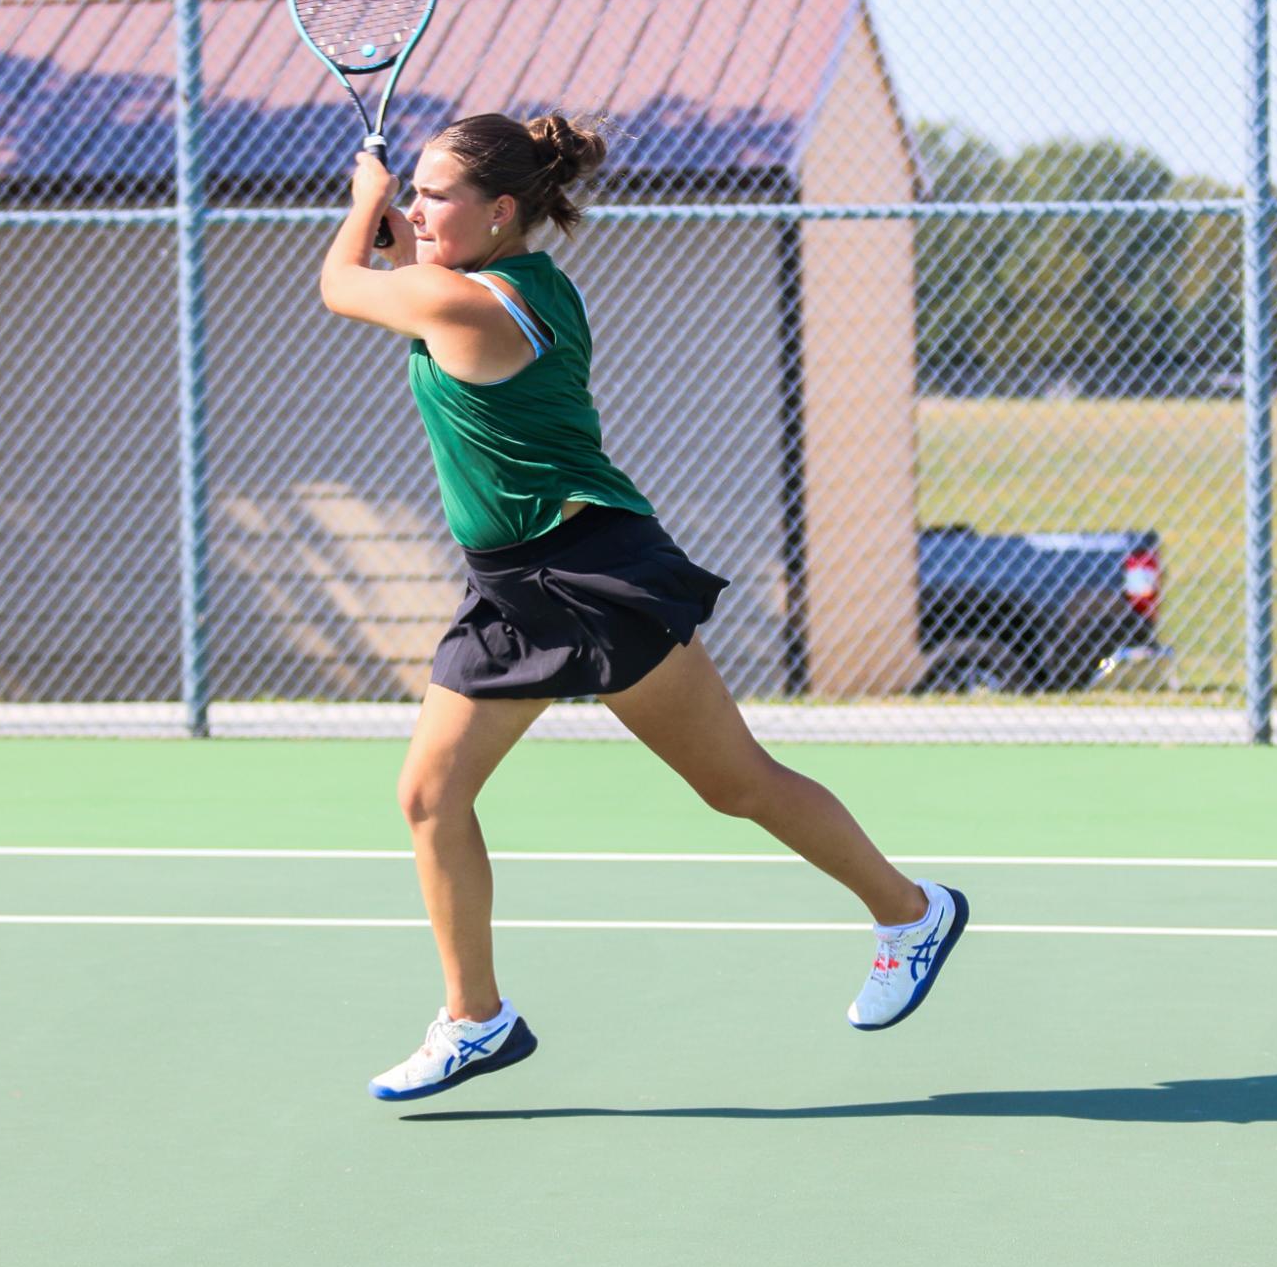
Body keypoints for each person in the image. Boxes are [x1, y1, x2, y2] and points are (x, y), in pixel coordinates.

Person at [319, 111, 968, 1102]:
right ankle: (474, 1021)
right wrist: (403, 225)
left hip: (585, 575)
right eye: (408, 189)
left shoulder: (472, 310)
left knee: (734, 783)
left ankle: (908, 913)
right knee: (429, 798)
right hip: (508, 583)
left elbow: (341, 286)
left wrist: (363, 200)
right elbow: (410, 274)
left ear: (498, 211)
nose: (412, 204)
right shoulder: (515, 284)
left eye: (431, 191)